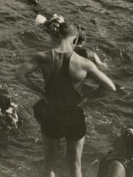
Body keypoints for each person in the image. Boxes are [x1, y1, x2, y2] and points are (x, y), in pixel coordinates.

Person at [19, 21, 117, 177]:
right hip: (73, 115)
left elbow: (20, 74)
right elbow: (110, 87)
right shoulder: (84, 63)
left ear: (58, 35)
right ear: (76, 40)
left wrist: (39, 91)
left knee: (49, 165)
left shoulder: (43, 57)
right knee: (75, 166)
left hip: (51, 112)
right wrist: (86, 98)